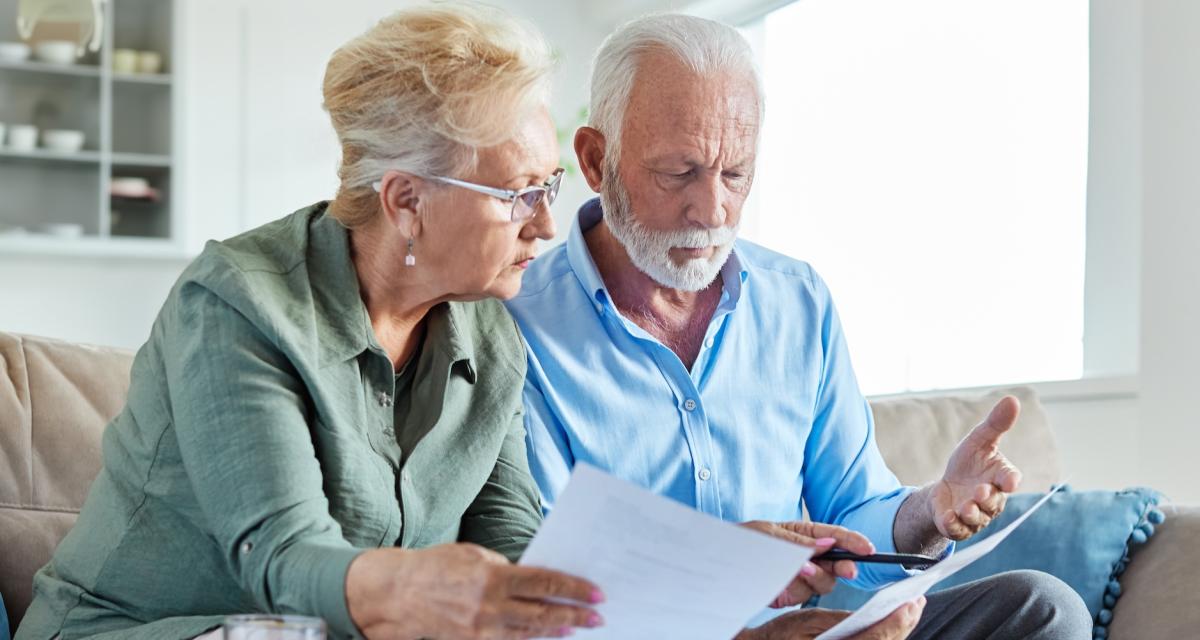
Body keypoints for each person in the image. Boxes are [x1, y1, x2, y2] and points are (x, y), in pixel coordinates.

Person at [17, 5, 603, 639]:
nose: (546, 223)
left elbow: (510, 536)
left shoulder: (492, 331)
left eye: (551, 186)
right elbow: (283, 556)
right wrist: (419, 587)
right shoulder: (238, 303)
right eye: (519, 193)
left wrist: (587, 605)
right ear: (407, 201)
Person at [505, 13, 1093, 640]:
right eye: (679, 172)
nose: (712, 210)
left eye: (735, 174)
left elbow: (855, 510)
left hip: (811, 631)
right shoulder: (519, 326)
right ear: (597, 160)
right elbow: (545, 583)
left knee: (1042, 608)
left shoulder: (797, 301)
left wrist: (932, 508)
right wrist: (724, 581)